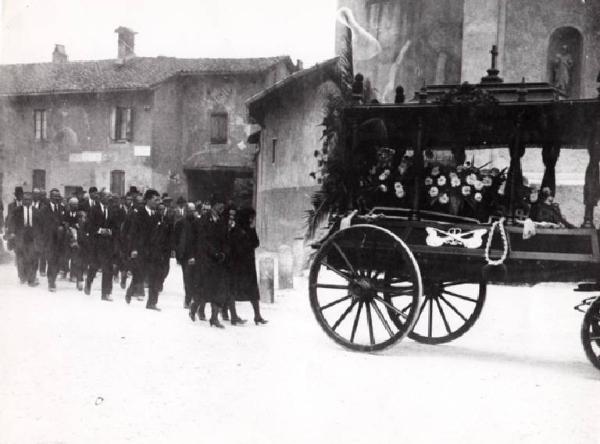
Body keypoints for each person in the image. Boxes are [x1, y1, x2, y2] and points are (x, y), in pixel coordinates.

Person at [229, 208, 267, 325]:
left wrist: (250, 234)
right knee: (233, 291)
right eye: (251, 217)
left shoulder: (249, 229)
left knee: (253, 291)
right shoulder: (235, 230)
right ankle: (233, 316)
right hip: (238, 265)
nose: (252, 220)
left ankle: (257, 315)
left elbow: (256, 243)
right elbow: (237, 247)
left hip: (248, 264)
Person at [126, 189, 163, 310]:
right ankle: (131, 289)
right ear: (147, 200)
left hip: (155, 251)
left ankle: (152, 302)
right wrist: (134, 248)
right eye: (155, 200)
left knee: (155, 276)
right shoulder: (139, 214)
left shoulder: (157, 214)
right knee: (140, 273)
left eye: (158, 200)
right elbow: (133, 232)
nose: (157, 202)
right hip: (142, 250)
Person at [85, 189, 118, 301]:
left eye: (110, 196)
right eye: (107, 196)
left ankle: (106, 293)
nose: (109, 198)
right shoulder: (94, 209)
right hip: (96, 242)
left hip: (108, 243)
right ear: (101, 197)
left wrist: (111, 232)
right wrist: (99, 230)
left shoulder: (113, 210)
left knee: (108, 268)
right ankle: (88, 282)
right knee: (94, 265)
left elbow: (116, 226)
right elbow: (89, 226)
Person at [6, 191, 41, 286]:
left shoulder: (37, 211)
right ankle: (22, 276)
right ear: (22, 200)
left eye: (29, 199)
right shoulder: (16, 210)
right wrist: (12, 233)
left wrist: (39, 236)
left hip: (33, 237)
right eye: (25, 199)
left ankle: (32, 278)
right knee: (21, 257)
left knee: (33, 258)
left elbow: (40, 225)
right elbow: (11, 222)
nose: (27, 201)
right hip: (20, 236)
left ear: (32, 201)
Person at [40, 188, 66, 292]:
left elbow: (63, 221)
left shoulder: (61, 208)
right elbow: (43, 225)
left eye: (58, 197)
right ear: (50, 197)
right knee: (51, 260)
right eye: (54, 196)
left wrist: (63, 227)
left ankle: (53, 277)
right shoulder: (44, 209)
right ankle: (51, 282)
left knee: (58, 260)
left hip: (59, 240)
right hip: (49, 239)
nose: (56, 198)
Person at [175, 202, 196, 309]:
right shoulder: (180, 223)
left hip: (196, 254)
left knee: (194, 277)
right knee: (187, 278)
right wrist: (178, 254)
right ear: (186, 211)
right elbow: (176, 239)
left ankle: (193, 299)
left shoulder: (197, 222)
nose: (192, 213)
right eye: (190, 211)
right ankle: (188, 299)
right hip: (185, 255)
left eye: (193, 211)